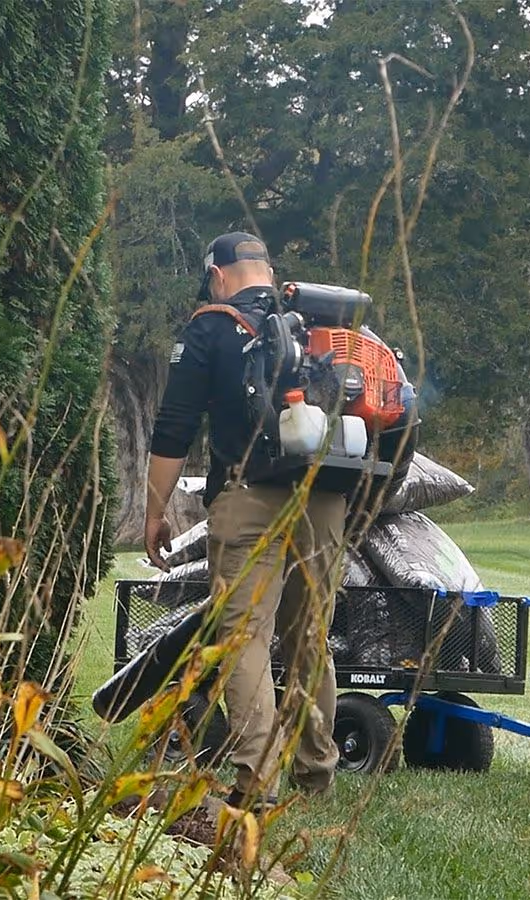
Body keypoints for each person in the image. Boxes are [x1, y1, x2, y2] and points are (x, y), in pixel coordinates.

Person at [144, 231, 345, 811]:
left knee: (245, 635)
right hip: (324, 497)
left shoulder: (209, 326)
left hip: (248, 494)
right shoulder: (312, 319)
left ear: (218, 276)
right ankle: (316, 773)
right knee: (309, 634)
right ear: (267, 269)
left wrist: (156, 511)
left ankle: (255, 782)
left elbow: (175, 426)